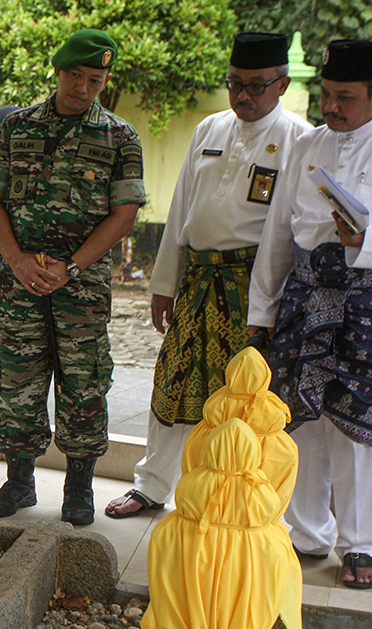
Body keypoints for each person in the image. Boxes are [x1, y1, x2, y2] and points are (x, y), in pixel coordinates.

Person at [105, 32, 309, 519]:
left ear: (281, 85)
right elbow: (180, 212)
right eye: (235, 84)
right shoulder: (210, 128)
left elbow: (288, 234)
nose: (243, 96)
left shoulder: (299, 139)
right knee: (172, 382)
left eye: (256, 86)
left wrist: (271, 308)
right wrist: (163, 283)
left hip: (252, 287)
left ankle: (244, 496)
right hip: (197, 281)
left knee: (241, 395)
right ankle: (152, 486)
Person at [0, 29, 145, 526]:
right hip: (21, 281)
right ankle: (19, 481)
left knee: (84, 384)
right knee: (18, 381)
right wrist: (18, 260)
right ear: (59, 72)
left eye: (95, 79)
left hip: (83, 288)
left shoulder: (119, 136)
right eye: (76, 75)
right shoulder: (17, 127)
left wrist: (72, 267)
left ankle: (78, 488)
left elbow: (125, 213)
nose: (83, 87)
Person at [248, 39, 372, 589]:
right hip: (306, 295)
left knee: (355, 426)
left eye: (345, 96)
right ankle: (305, 534)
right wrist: (263, 310)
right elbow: (278, 230)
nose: (332, 107)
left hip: (364, 303)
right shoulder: (306, 144)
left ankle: (360, 544)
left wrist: (364, 241)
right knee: (301, 417)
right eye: (325, 94)